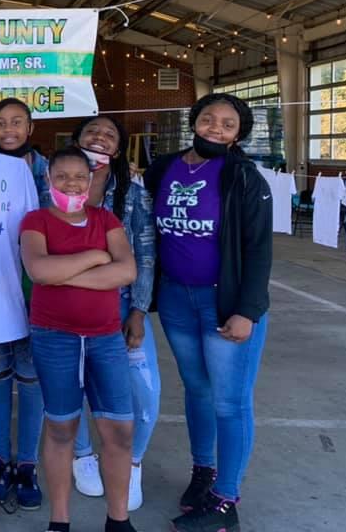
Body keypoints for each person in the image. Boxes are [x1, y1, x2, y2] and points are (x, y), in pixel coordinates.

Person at [144, 93, 271, 532]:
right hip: (178, 299)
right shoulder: (164, 168)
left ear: (239, 134)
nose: (216, 128)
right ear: (194, 121)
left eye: (228, 124)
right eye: (209, 119)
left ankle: (226, 500)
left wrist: (247, 310)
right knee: (196, 390)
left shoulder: (244, 178)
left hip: (225, 304)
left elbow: (259, 250)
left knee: (229, 402)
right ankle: (204, 473)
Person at [22, 147, 139, 532]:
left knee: (118, 430)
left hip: (105, 339)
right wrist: (94, 256)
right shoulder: (36, 220)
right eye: (62, 177)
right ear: (48, 180)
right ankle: (60, 520)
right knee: (61, 428)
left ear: (90, 182)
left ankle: (118, 519)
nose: (70, 183)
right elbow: (38, 269)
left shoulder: (107, 219)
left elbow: (126, 272)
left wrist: (61, 274)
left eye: (78, 177)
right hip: (55, 338)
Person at [70, 116, 158, 511]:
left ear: (118, 150)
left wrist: (138, 311)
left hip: (120, 305)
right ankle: (83, 455)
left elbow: (145, 254)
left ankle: (132, 461)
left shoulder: (133, 193)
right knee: (75, 387)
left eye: (108, 136)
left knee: (144, 394)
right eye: (92, 133)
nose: (99, 139)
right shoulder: (52, 188)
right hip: (65, 306)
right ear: (77, 141)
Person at [0, 97, 48, 509]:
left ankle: (27, 464)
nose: (9, 130)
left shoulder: (49, 171)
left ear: (29, 128)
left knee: (31, 379)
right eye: (2, 123)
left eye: (17, 122)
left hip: (37, 293)